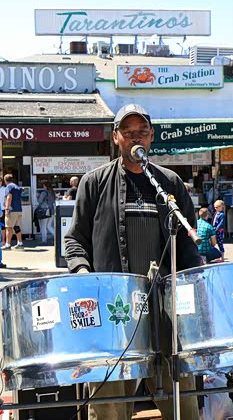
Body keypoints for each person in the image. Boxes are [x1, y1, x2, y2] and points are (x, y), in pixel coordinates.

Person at [65, 103, 200, 420]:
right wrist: (83, 273)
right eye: (128, 132)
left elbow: (188, 246)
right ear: (116, 137)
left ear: (151, 137)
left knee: (183, 404)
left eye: (142, 132)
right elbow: (75, 240)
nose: (135, 137)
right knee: (110, 408)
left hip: (165, 312)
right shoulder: (94, 182)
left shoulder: (170, 184)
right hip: (114, 313)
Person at [3, 174, 24, 249]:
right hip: (19, 209)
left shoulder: (9, 187)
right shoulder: (17, 187)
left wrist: (7, 209)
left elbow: (9, 197)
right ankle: (20, 243)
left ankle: (8, 245)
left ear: (5, 180)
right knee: (17, 226)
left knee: (8, 227)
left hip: (12, 210)